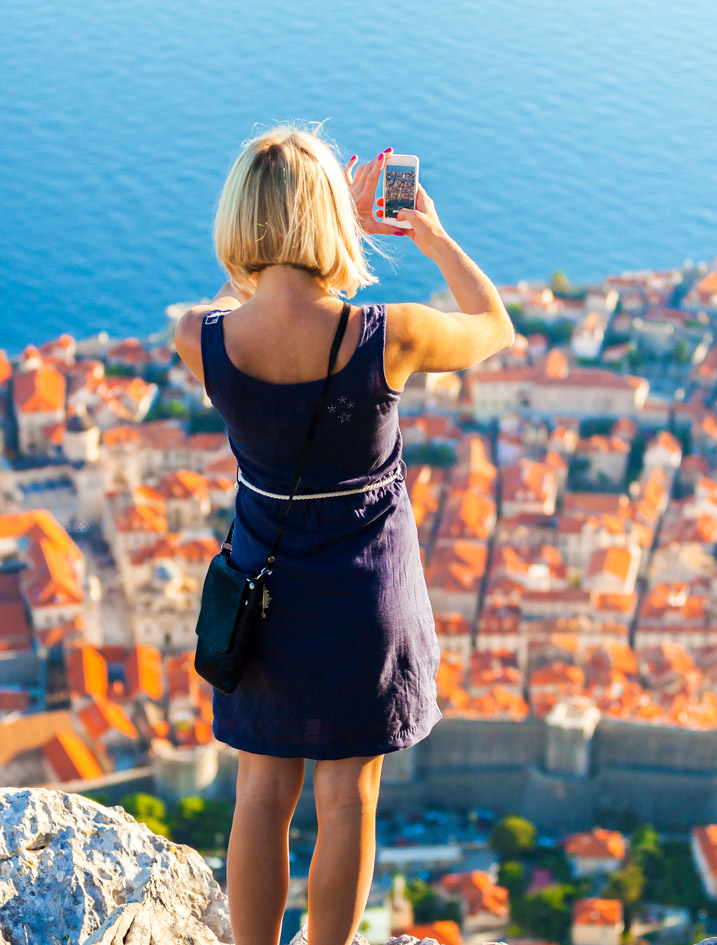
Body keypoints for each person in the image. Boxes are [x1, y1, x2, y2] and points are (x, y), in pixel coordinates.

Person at [172, 124, 511, 945]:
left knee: (260, 795)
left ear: (240, 220)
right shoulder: (387, 335)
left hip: (265, 589)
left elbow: (240, 300)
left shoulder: (200, 339)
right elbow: (493, 323)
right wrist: (424, 233)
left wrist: (276, 249)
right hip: (365, 595)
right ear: (330, 218)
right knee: (347, 798)